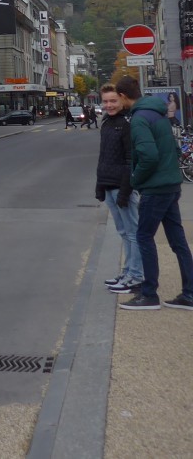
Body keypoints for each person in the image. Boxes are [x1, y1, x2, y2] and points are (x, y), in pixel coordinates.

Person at [114, 76, 193, 310]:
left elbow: (148, 156)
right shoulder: (158, 113)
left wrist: (135, 180)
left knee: (144, 237)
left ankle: (149, 294)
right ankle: (189, 293)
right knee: (178, 241)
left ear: (122, 96)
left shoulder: (139, 119)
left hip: (155, 188)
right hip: (170, 184)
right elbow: (175, 148)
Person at [95, 84, 142, 294]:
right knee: (123, 232)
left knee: (133, 233)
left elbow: (130, 160)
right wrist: (100, 184)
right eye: (105, 101)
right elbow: (104, 156)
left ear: (121, 100)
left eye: (113, 101)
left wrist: (125, 190)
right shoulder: (106, 123)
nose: (109, 105)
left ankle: (136, 276)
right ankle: (127, 272)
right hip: (109, 185)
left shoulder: (126, 124)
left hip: (122, 187)